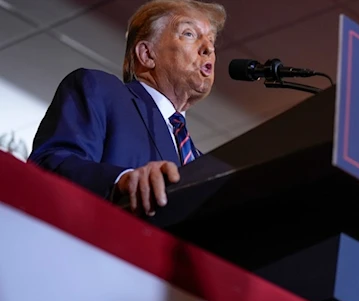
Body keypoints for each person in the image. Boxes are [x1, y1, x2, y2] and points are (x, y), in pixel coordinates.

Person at [28, 0, 226, 217]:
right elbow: (49, 164)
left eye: (211, 40)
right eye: (189, 34)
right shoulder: (100, 90)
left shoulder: (202, 162)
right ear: (147, 54)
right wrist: (121, 180)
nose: (209, 48)